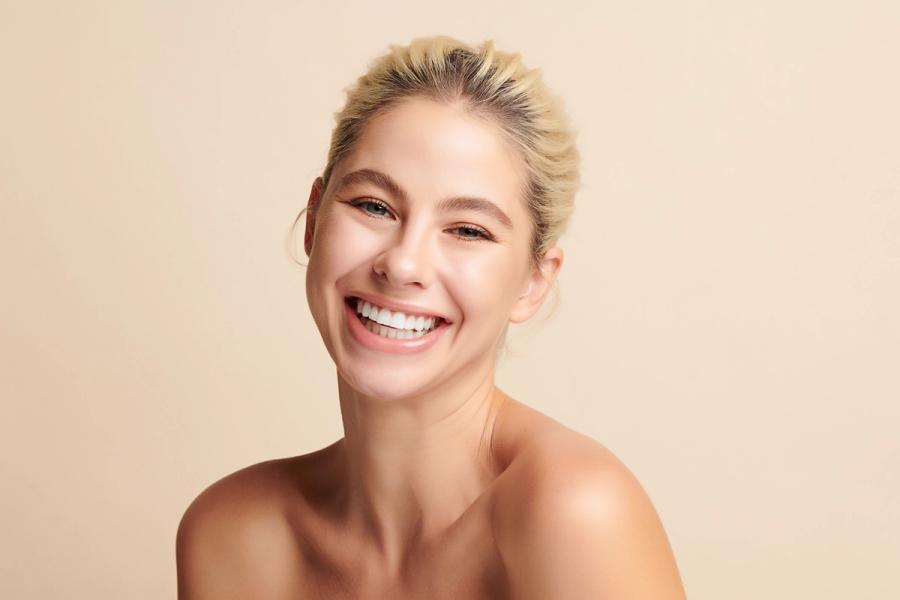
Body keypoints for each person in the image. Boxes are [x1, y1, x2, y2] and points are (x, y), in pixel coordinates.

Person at [176, 35, 686, 599]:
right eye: (374, 206)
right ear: (315, 220)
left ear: (534, 281)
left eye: (468, 230)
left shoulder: (574, 511)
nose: (402, 263)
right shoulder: (232, 535)